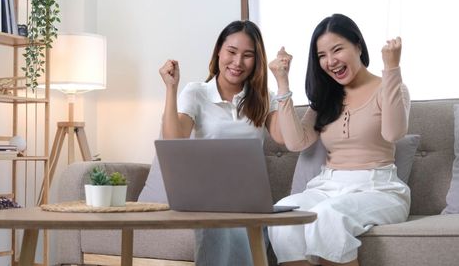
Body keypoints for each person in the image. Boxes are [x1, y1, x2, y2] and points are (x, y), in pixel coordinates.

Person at [267, 13, 410, 266]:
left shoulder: (389, 87)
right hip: (328, 187)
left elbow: (393, 133)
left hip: (379, 188)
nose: (330, 61)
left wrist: (392, 68)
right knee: (284, 215)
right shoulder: (327, 98)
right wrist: (282, 82)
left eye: (337, 50)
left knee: (328, 216)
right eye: (322, 56)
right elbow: (295, 143)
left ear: (358, 45)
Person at [159, 20, 284, 266]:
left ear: (256, 61)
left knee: (242, 224)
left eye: (248, 55)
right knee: (215, 225)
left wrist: (282, 81)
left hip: (249, 199)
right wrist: (171, 89)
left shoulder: (263, 98)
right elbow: (174, 141)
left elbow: (283, 137)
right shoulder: (197, 92)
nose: (238, 63)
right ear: (219, 51)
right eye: (232, 52)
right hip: (207, 196)